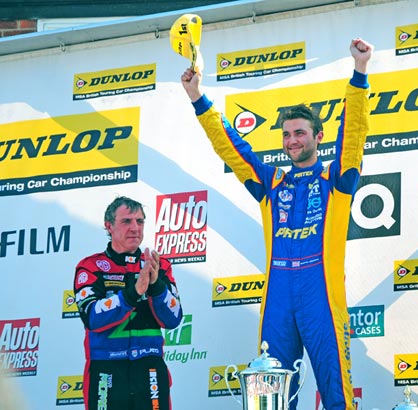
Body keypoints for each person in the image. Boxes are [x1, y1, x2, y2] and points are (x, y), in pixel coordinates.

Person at [180, 38, 373, 410]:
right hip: (279, 298)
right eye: (286, 134)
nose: (291, 140)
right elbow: (231, 147)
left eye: (300, 133)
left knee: (336, 395)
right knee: (270, 400)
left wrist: (360, 73)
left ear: (318, 137)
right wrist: (197, 97)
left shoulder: (337, 179)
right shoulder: (272, 183)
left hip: (322, 297)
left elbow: (354, 136)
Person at [73, 196, 183, 410]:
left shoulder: (159, 266)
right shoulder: (91, 267)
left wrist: (156, 286)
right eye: (127, 221)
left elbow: (173, 318)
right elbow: (92, 318)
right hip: (107, 368)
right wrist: (133, 294)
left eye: (140, 221)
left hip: (149, 368)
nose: (135, 228)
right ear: (109, 226)